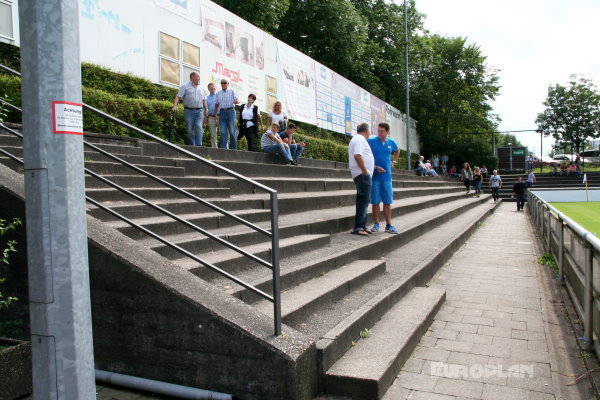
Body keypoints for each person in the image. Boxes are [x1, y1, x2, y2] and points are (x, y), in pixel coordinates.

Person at [367, 122, 400, 234]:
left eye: (382, 131)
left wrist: (394, 161)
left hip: (387, 177)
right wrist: (375, 167)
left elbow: (397, 150)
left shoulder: (391, 142)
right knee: (375, 202)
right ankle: (376, 224)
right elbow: (365, 154)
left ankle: (388, 225)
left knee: (387, 202)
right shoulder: (371, 141)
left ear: (387, 131)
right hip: (374, 177)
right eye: (378, 130)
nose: (379, 133)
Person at [348, 122, 374, 236]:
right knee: (363, 201)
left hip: (362, 174)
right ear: (366, 130)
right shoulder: (359, 139)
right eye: (369, 131)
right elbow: (357, 155)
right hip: (362, 174)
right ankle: (358, 227)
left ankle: (362, 225)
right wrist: (365, 171)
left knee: (364, 200)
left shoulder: (358, 139)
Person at [172, 71, 208, 146]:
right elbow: (178, 97)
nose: (199, 78)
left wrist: (206, 109)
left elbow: (204, 100)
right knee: (190, 129)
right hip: (189, 111)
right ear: (192, 78)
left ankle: (199, 146)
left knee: (198, 126)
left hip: (200, 111)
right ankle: (192, 145)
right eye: (197, 77)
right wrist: (175, 106)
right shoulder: (185, 86)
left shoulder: (201, 88)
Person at [214, 79, 240, 149]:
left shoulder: (232, 91)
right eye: (221, 83)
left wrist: (236, 101)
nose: (223, 84)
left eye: (224, 83)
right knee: (223, 131)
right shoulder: (218, 93)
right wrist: (215, 114)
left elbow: (237, 100)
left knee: (232, 130)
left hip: (230, 111)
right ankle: (223, 148)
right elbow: (216, 104)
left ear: (228, 84)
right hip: (221, 112)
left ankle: (233, 148)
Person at [205, 83, 219, 148]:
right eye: (211, 87)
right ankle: (214, 149)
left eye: (213, 87)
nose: (212, 88)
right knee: (213, 135)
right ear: (208, 89)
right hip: (211, 117)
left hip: (220, 116)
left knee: (223, 133)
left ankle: (225, 148)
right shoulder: (206, 98)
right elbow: (205, 109)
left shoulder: (219, 96)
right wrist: (205, 120)